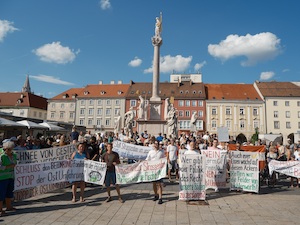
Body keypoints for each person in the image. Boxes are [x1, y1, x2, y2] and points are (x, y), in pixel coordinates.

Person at [0, 141, 17, 217]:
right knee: (1, 193)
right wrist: (8, 166)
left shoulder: (14, 155)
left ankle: (8, 206)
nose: (11, 151)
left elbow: (15, 163)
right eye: (9, 149)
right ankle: (0, 209)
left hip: (11, 176)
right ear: (5, 149)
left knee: (9, 192)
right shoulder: (1, 156)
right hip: (2, 178)